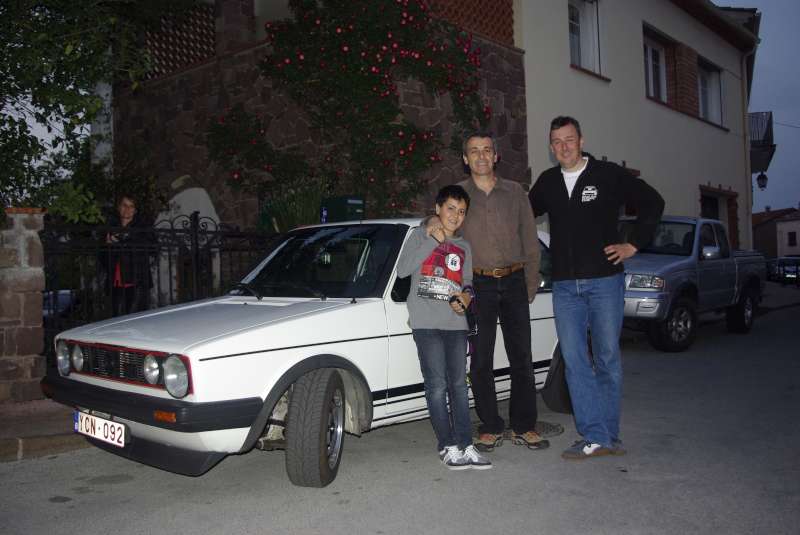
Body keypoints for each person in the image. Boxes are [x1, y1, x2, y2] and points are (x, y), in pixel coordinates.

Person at [529, 116, 664, 460]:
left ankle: (608, 435)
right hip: (564, 287)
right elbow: (520, 214)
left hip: (605, 281)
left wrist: (633, 244)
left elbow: (652, 201)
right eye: (556, 141)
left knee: (606, 359)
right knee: (575, 362)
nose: (563, 146)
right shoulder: (547, 182)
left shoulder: (608, 175)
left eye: (569, 139)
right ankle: (595, 435)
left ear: (581, 140)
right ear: (551, 147)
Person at [427, 132, 547, 452]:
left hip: (514, 281)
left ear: (496, 156)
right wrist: (430, 222)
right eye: (473, 151)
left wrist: (531, 283)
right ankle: (491, 425)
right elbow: (440, 222)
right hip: (477, 286)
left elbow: (530, 239)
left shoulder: (516, 192)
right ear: (465, 159)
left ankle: (524, 425)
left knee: (522, 356)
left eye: (486, 150)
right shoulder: (460, 195)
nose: (481, 156)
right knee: (480, 359)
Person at [396, 184, 492, 470]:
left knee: (459, 387)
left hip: (455, 325)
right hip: (426, 325)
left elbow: (468, 282)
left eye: (461, 211)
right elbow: (402, 271)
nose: (455, 215)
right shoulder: (418, 235)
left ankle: (466, 444)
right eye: (450, 208)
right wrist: (432, 240)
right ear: (438, 209)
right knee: (436, 387)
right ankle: (447, 446)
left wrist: (465, 296)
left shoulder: (464, 246)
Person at [103, 194, 154, 316]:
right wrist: (108, 244)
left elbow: (153, 249)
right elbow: (101, 257)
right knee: (115, 320)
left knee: (134, 321)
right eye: (124, 205)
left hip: (137, 282)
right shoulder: (110, 226)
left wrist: (126, 240)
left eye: (131, 206)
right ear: (119, 207)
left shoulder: (143, 227)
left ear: (135, 210)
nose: (127, 209)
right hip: (114, 282)